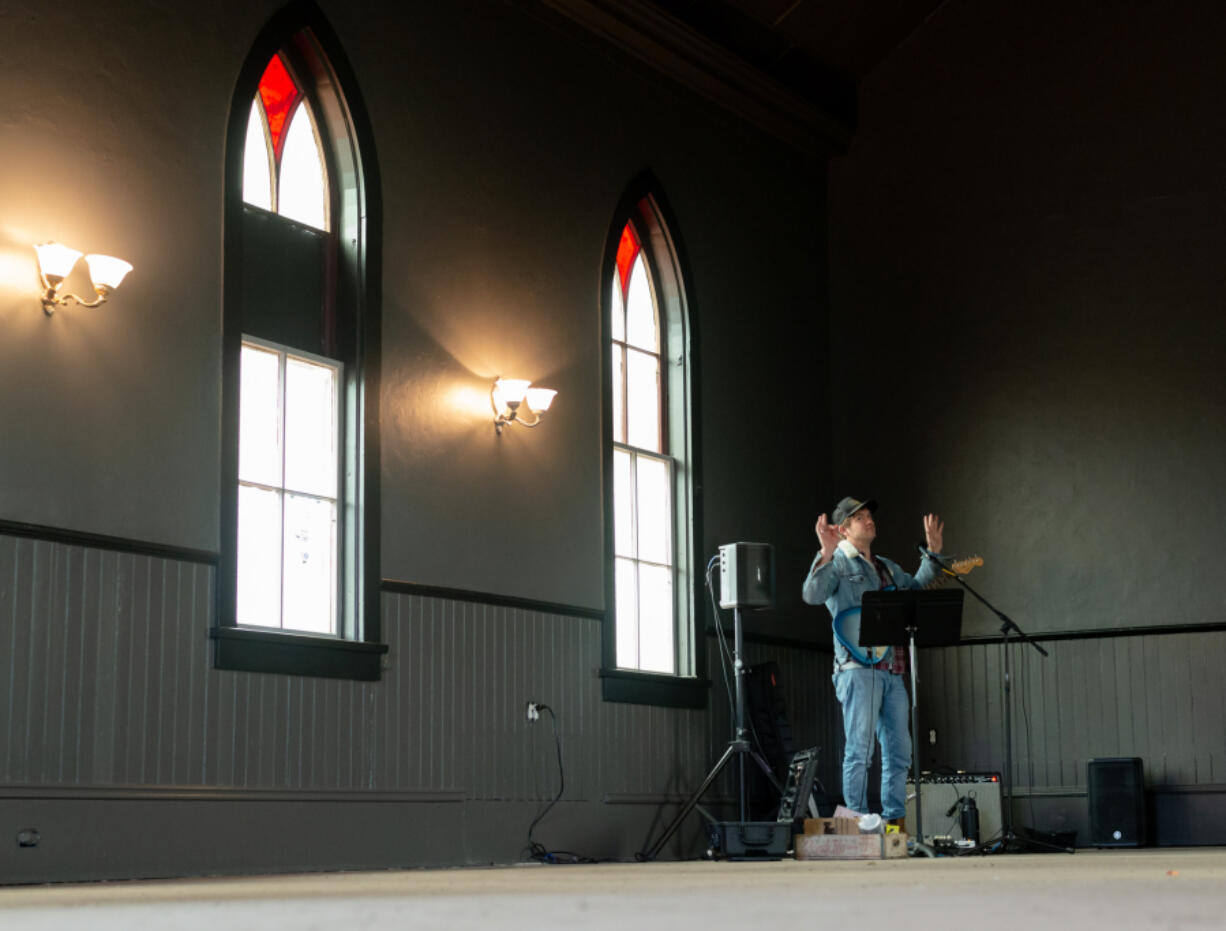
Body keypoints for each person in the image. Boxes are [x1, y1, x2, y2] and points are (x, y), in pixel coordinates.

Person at [802, 496, 945, 824]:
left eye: (869, 515)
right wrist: (824, 553)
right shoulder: (837, 563)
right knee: (860, 753)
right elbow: (812, 594)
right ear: (843, 529)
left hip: (893, 670)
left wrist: (933, 552)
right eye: (859, 517)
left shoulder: (887, 566)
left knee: (899, 754)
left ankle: (894, 826)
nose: (869, 520)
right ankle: (856, 824)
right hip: (857, 669)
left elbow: (914, 587)